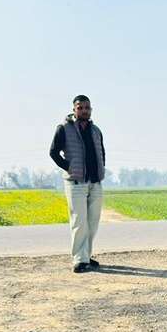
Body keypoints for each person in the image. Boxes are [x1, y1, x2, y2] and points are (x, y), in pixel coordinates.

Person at [49, 95, 106, 273]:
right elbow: (53, 152)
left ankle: (86, 256)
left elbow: (102, 153)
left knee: (92, 222)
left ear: (91, 110)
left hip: (95, 183)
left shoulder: (96, 130)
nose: (84, 111)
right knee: (79, 222)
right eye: (80, 108)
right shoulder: (64, 128)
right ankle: (79, 260)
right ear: (74, 109)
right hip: (76, 182)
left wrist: (100, 169)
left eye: (87, 108)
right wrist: (68, 167)